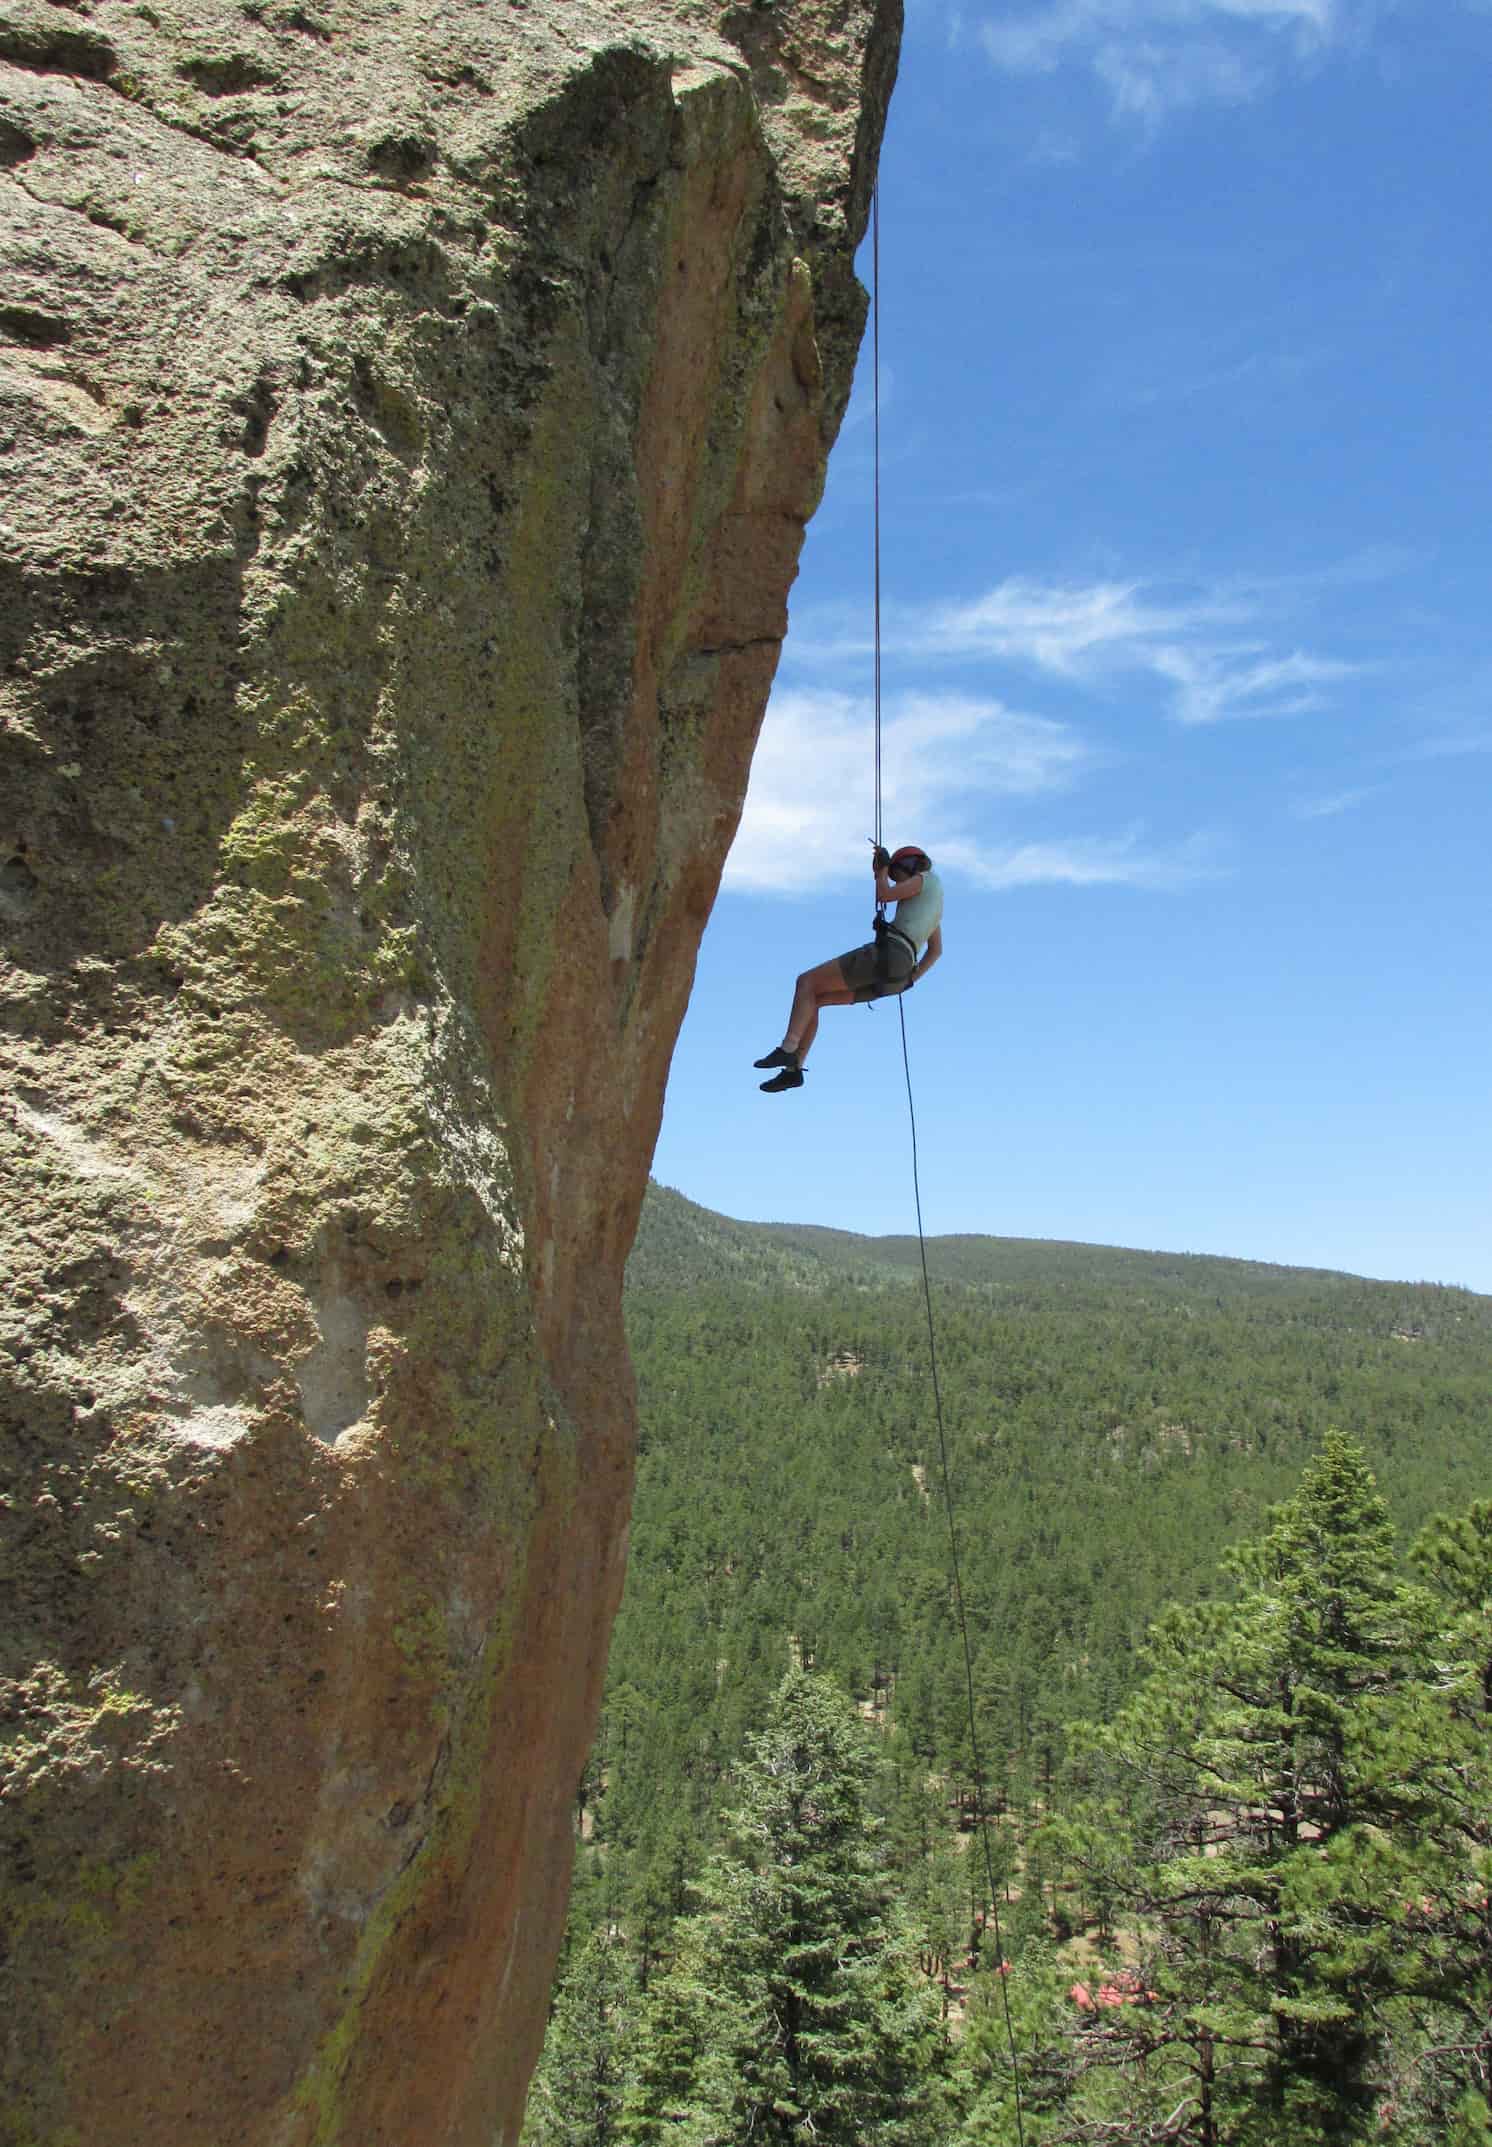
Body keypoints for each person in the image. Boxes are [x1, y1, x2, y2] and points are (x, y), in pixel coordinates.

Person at [753, 844, 944, 1093]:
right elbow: (936, 951)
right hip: (898, 976)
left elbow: (885, 894)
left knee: (806, 982)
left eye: (898, 875)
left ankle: (788, 1049)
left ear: (909, 864)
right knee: (815, 999)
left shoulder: (925, 879)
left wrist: (881, 873)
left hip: (890, 954)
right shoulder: (934, 906)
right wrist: (911, 979)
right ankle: (793, 1071)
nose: (899, 882)